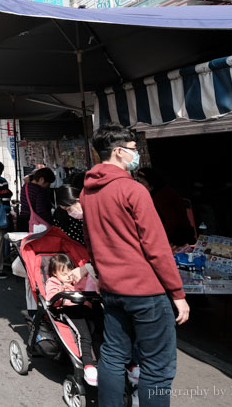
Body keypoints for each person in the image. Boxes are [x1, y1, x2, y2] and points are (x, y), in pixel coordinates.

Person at [82, 124, 189, 407]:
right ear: (118, 152)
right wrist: (178, 294)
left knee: (113, 355)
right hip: (147, 292)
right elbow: (157, 247)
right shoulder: (133, 190)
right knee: (157, 367)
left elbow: (91, 243)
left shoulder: (87, 192)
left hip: (112, 289)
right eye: (133, 150)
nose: (136, 155)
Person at [45, 253, 100, 386]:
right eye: (64, 273)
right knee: (84, 335)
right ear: (54, 273)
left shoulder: (77, 280)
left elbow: (88, 288)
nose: (68, 275)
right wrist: (61, 291)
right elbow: (51, 298)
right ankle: (88, 366)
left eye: (70, 271)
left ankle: (101, 361)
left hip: (85, 309)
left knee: (99, 331)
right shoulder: (53, 282)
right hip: (69, 310)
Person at [136, 168, 196, 247]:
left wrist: (160, 240)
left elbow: (171, 222)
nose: (140, 185)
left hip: (177, 238)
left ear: (151, 183)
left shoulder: (161, 196)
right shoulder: (161, 192)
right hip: (177, 234)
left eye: (143, 182)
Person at [18, 166, 55, 232]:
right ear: (42, 180)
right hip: (35, 224)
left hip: (23, 221)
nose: (48, 186)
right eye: (48, 183)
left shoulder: (25, 187)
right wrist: (52, 223)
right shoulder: (40, 191)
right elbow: (41, 211)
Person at [53, 179, 86, 246]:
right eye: (65, 209)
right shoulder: (59, 215)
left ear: (78, 201)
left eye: (69, 209)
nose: (69, 213)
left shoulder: (91, 212)